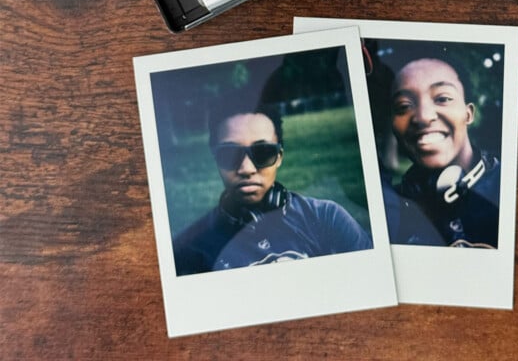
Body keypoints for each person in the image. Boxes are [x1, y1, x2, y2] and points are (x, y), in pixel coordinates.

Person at [172, 94, 372, 274]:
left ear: (279, 157)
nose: (247, 168)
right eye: (230, 154)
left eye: (263, 152)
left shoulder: (328, 220)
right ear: (215, 158)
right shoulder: (189, 250)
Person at [385, 57, 500, 248]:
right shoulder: (389, 212)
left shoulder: (509, 189)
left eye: (442, 99)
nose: (423, 117)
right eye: (404, 106)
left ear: (468, 114)